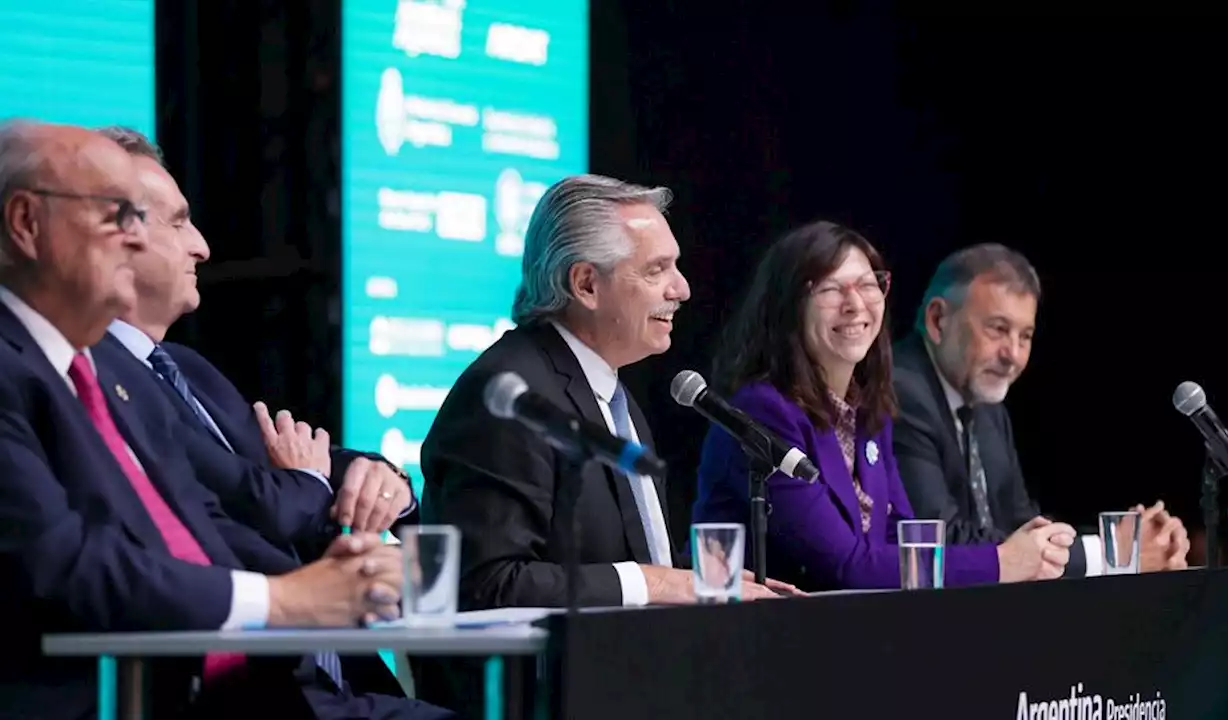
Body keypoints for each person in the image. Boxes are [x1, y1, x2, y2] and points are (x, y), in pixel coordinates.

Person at [0, 119, 415, 718]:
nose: (138, 242)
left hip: (244, 686)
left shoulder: (100, 377)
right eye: (119, 215)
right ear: (26, 224)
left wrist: (338, 562)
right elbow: (63, 563)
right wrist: (282, 599)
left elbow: (208, 523)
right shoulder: (23, 371)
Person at [421, 174, 784, 608]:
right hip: (549, 675)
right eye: (657, 270)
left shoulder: (606, 389)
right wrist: (660, 584)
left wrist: (700, 577)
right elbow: (491, 582)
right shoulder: (510, 399)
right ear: (586, 285)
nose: (682, 289)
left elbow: (616, 555)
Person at [693, 221, 1075, 590]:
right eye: (831, 289)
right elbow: (847, 565)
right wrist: (1001, 561)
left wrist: (1030, 549)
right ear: (790, 305)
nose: (855, 304)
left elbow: (901, 540)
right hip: (764, 638)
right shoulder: (765, 411)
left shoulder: (867, 409)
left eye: (867, 285)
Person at [96, 126, 416, 556]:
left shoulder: (184, 366)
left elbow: (287, 456)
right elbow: (258, 499)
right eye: (177, 222)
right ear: (116, 238)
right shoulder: (97, 370)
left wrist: (383, 478)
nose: (202, 247)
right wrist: (309, 480)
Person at [892, 243, 1190, 575]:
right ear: (937, 320)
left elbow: (1023, 526)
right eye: (998, 329)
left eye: (1026, 336)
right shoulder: (899, 393)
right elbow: (940, 541)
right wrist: (1111, 554)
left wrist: (1131, 540)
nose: (1013, 355)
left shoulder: (986, 406)